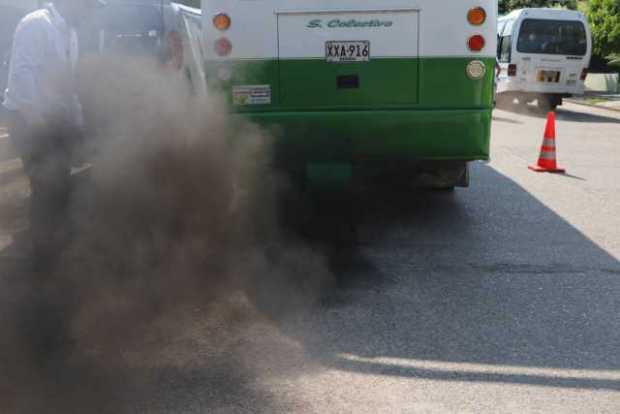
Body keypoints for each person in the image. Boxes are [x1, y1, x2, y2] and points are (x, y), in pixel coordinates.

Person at [2, 0, 105, 266]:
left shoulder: (70, 34)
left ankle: (54, 245)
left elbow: (67, 88)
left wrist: (78, 124)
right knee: (47, 183)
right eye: (88, 6)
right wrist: (40, 127)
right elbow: (21, 79)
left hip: (52, 118)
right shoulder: (37, 24)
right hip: (27, 118)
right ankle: (43, 257)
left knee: (61, 180)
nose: (90, 13)